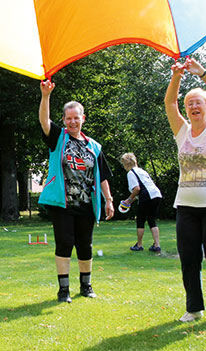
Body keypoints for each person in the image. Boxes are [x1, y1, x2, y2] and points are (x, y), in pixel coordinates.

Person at [164, 57, 206, 327]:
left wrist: (201, 72)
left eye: (199, 102)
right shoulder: (182, 132)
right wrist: (177, 76)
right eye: (190, 103)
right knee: (189, 260)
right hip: (187, 206)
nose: (193, 106)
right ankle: (193, 308)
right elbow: (170, 103)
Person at [38, 79, 114, 303]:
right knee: (64, 242)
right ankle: (63, 290)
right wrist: (45, 96)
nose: (72, 122)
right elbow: (44, 120)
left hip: (86, 204)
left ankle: (86, 286)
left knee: (85, 245)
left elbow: (103, 175)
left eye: (76, 117)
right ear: (64, 120)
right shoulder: (58, 137)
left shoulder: (94, 146)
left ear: (83, 118)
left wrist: (108, 200)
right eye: (68, 118)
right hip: (62, 203)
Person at [119, 153, 163, 253]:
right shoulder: (142, 171)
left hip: (147, 196)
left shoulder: (131, 173)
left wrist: (129, 200)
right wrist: (129, 201)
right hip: (156, 194)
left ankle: (139, 245)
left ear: (126, 164)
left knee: (140, 220)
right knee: (152, 220)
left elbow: (137, 189)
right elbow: (142, 189)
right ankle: (157, 245)